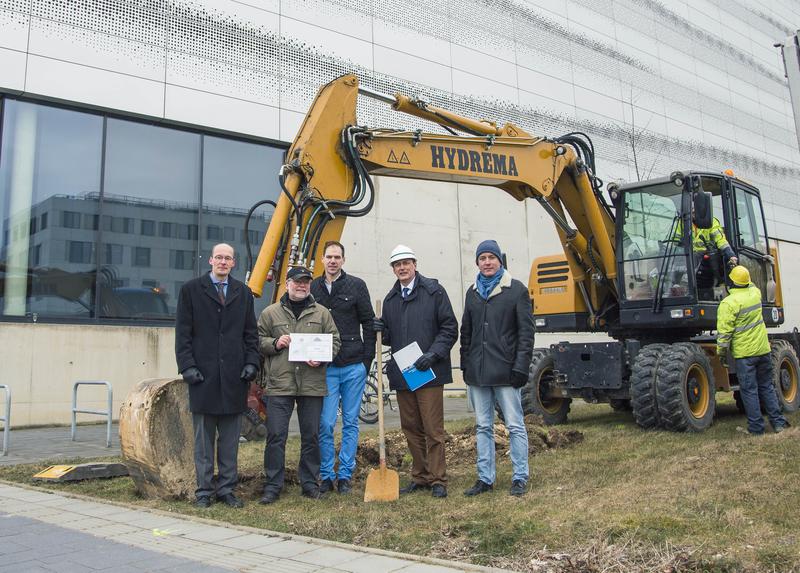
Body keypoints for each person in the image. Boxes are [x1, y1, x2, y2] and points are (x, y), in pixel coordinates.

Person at [175, 243, 260, 509]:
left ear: (234, 263)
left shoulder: (243, 293)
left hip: (234, 378)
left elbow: (250, 334)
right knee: (203, 441)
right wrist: (187, 367)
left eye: (228, 258)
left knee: (230, 441)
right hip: (203, 377)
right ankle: (203, 490)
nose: (223, 262)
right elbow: (183, 333)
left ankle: (226, 489)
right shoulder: (191, 290)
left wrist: (251, 363)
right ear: (211, 260)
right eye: (219, 258)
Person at [372, 245, 458, 498]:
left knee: (433, 428)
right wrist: (380, 329)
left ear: (415, 264)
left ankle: (438, 479)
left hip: (429, 372)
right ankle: (420, 476)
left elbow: (449, 328)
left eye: (406, 263)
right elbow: (391, 337)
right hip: (404, 374)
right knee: (411, 427)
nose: (402, 268)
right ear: (393, 269)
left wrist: (433, 354)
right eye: (397, 265)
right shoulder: (390, 300)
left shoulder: (434, 291)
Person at [257, 266, 340, 504]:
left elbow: (335, 341)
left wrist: (323, 356)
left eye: (306, 282)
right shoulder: (270, 313)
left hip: (311, 384)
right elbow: (258, 341)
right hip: (280, 384)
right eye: (297, 282)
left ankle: (309, 484)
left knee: (311, 436)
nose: (302, 286)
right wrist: (275, 342)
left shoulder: (322, 313)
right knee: (276, 435)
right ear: (287, 283)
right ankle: (273, 486)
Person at [460, 240, 534, 497]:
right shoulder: (472, 293)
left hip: (506, 371)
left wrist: (521, 367)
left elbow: (526, 334)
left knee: (514, 425)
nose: (487, 262)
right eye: (483, 258)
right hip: (478, 374)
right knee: (482, 426)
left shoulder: (516, 291)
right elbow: (466, 332)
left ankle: (520, 476)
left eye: (492, 257)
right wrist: (466, 364)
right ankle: (485, 478)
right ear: (477, 263)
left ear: (500, 261)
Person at [310, 241, 375, 495]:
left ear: (343, 260)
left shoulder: (357, 286)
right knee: (325, 423)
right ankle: (326, 474)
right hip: (324, 367)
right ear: (323, 259)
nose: (333, 261)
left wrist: (365, 361)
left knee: (350, 422)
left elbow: (369, 323)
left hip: (352, 365)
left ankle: (345, 474)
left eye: (338, 257)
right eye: (329, 257)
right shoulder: (313, 287)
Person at [717, 265, 789, 435]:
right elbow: (749, 284)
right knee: (766, 387)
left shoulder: (728, 303)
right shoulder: (755, 294)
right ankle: (778, 423)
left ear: (731, 282)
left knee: (749, 390)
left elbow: (724, 333)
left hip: (745, 355)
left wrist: (721, 354)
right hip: (763, 350)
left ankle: (756, 429)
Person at [675, 215, 737, 299]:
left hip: (708, 256)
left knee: (698, 258)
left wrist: (730, 254)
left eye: (694, 210)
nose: (692, 213)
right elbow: (675, 242)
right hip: (690, 256)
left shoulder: (711, 222)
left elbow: (721, 240)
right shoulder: (682, 223)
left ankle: (686, 285)